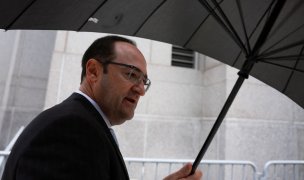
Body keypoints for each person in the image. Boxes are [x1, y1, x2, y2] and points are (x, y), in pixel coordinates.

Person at [1, 35, 202, 180]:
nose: (140, 90)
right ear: (94, 71)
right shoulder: (71, 129)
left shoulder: (82, 124)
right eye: (131, 74)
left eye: (144, 81)